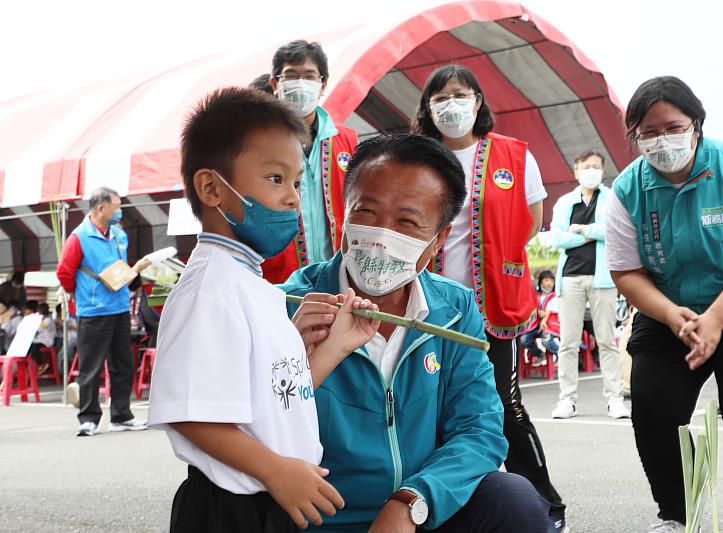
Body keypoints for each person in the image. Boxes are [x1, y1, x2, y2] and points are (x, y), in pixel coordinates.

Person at [282, 133, 554, 532]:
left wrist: (413, 501)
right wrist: (292, 360)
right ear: (343, 214)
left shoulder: (454, 310)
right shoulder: (289, 307)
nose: (381, 234)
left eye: (406, 222)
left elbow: (479, 429)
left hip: (419, 516)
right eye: (367, 212)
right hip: (314, 519)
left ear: (437, 239)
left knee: (514, 500)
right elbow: (244, 436)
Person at [148, 86, 378, 533]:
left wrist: (332, 349)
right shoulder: (210, 289)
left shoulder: (252, 283)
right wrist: (275, 470)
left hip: (267, 501)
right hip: (232, 510)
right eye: (276, 179)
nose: (293, 198)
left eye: (296, 182)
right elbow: (191, 413)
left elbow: (271, 401)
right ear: (212, 187)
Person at [605, 76, 723, 533]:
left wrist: (716, 319)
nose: (660, 140)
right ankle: (677, 514)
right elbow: (626, 271)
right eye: (646, 133)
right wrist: (673, 316)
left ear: (696, 125)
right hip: (672, 312)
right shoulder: (627, 189)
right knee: (652, 405)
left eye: (671, 127)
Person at [410, 64, 566, 529]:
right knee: (430, 404)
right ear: (428, 108)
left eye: (460, 95)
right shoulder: (418, 156)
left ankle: (543, 502)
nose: (451, 105)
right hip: (427, 304)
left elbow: (531, 220)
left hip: (493, 305)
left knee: (503, 404)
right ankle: (440, 499)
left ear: (478, 101)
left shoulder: (515, 156)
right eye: (440, 98)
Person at [253, 40, 358, 283]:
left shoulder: (346, 140)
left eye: (309, 76)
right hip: (280, 277)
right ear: (274, 83)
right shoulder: (258, 143)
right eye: (291, 75)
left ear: (323, 84)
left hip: (340, 276)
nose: (300, 84)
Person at [56, 186, 151, 437]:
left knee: (123, 364)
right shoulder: (78, 237)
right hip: (93, 310)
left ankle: (121, 415)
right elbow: (64, 272)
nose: (120, 211)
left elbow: (120, 268)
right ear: (101, 207)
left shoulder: (120, 235)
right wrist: (81, 296)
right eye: (117, 206)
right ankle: (88, 418)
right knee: (91, 367)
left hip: (119, 306)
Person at [549, 150, 628, 419]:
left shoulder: (612, 198)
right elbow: (557, 238)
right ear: (576, 171)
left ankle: (614, 398)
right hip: (570, 277)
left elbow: (614, 231)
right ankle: (567, 399)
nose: (591, 170)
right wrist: (593, 235)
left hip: (603, 278)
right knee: (568, 342)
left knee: (607, 341)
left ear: (603, 171)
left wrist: (583, 230)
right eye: (586, 166)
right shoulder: (564, 202)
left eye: (596, 166)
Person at [521, 271, 560, 365]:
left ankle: (560, 355)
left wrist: (545, 315)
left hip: (549, 326)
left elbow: (553, 311)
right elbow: (531, 307)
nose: (549, 283)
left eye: (551, 281)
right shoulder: (535, 296)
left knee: (546, 341)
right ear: (540, 282)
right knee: (523, 339)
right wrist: (537, 312)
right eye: (546, 280)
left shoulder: (555, 296)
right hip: (535, 326)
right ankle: (539, 355)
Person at [28, 302, 56, 375]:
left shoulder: (48, 320)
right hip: (40, 340)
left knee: (35, 348)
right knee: (29, 347)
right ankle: (30, 366)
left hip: (46, 342)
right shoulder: (43, 320)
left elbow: (40, 328)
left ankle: (42, 364)